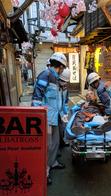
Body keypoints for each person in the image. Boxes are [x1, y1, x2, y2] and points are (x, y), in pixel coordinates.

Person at [31, 52, 67, 185]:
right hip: (45, 117)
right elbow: (36, 97)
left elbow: (59, 99)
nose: (62, 70)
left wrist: (63, 113)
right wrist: (37, 117)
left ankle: (53, 162)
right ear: (60, 66)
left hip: (55, 116)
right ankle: (44, 172)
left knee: (56, 142)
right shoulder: (45, 75)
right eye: (63, 67)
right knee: (47, 145)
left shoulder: (55, 78)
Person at [58, 68, 70, 148]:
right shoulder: (54, 86)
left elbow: (65, 101)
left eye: (65, 82)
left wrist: (66, 113)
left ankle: (62, 142)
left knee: (62, 128)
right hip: (55, 113)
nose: (64, 83)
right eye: (62, 81)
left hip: (62, 112)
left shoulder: (65, 88)